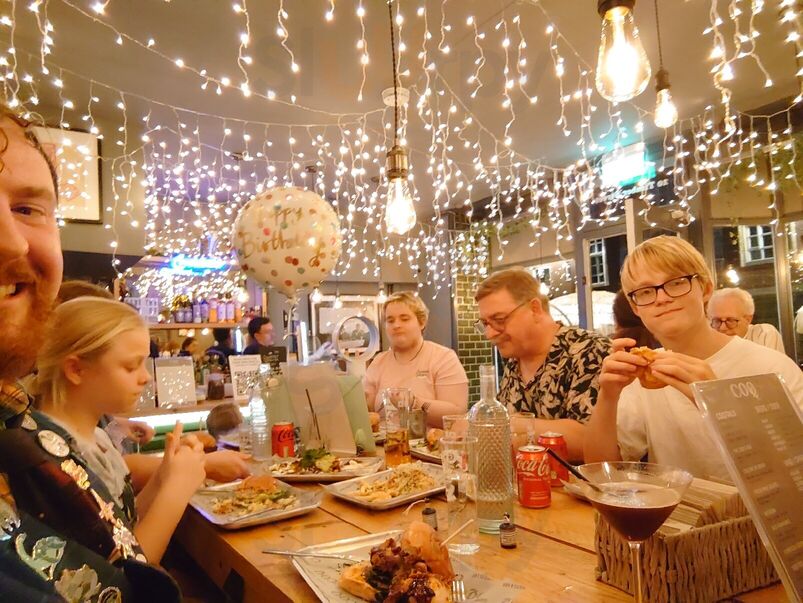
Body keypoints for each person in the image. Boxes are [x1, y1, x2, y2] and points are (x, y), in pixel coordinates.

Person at [0, 103, 180, 599]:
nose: (11, 242)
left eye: (27, 209)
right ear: (76, 367)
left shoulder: (22, 431)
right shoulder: (33, 446)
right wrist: (176, 479)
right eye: (131, 364)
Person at [584, 236, 803, 481]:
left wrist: (716, 402)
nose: (661, 298)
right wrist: (608, 396)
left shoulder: (772, 368)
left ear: (706, 289)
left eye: (676, 283)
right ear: (636, 308)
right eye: (645, 292)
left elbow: (794, 474)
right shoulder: (641, 375)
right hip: (673, 506)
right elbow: (601, 472)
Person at [34, 297, 207, 563]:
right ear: (76, 369)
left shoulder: (98, 437)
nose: (145, 377)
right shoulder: (59, 457)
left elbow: (125, 526)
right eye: (130, 366)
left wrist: (165, 475)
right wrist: (177, 488)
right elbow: (129, 569)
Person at [475, 268, 612, 461]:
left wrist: (508, 423)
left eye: (499, 320)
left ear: (535, 309)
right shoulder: (515, 360)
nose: (490, 334)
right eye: (485, 324)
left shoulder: (590, 350)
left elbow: (589, 442)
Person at [364, 292, 468, 428]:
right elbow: (366, 409)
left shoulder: (443, 358)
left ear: (422, 322)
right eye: (390, 320)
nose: (396, 325)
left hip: (431, 441)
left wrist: (414, 403)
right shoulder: (379, 362)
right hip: (386, 441)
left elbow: (456, 414)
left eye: (404, 319)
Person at [707, 287, 785, 353]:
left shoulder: (764, 334)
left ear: (748, 319)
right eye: (717, 321)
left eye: (730, 320)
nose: (722, 328)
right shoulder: (708, 341)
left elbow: (773, 366)